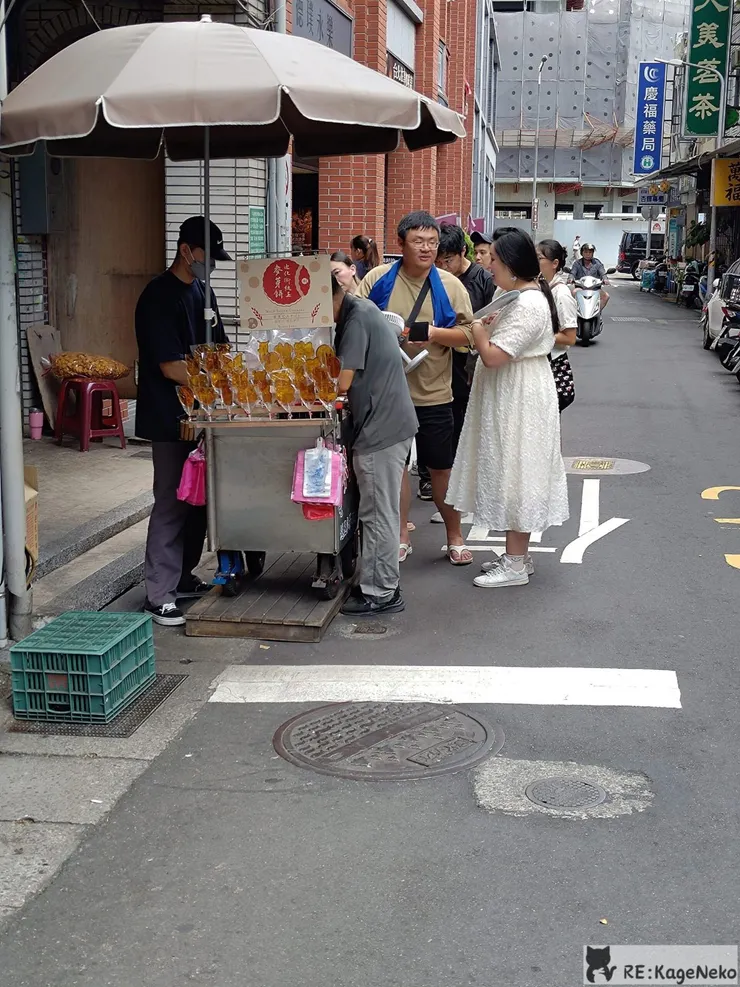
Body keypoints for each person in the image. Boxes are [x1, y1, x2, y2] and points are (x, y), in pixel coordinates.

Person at [446, 228, 569, 588]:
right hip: (513, 391)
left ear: (512, 266)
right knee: (513, 466)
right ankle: (519, 557)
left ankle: (515, 565)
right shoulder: (515, 294)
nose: (489, 265)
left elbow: (495, 355)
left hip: (519, 394)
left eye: (495, 260)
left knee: (517, 470)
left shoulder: (528, 302)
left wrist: (478, 331)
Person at [357, 210, 476, 565]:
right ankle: (401, 534)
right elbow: (354, 323)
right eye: (418, 241)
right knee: (396, 469)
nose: (426, 249)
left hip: (435, 392)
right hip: (388, 393)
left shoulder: (450, 285)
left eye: (432, 243)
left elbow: (470, 336)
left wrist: (433, 333)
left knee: (440, 467)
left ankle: (454, 534)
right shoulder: (378, 280)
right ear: (401, 243)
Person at [135, 216, 230, 626]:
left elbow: (222, 349)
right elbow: (171, 367)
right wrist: (214, 380)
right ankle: (158, 593)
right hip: (170, 417)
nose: (212, 266)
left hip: (204, 415)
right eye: (208, 257)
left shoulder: (203, 292)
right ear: (186, 250)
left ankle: (185, 575)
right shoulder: (158, 296)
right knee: (172, 502)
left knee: (198, 502)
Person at [331, 275, 418, 616]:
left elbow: (342, 381)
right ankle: (376, 582)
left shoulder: (356, 319)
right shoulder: (361, 310)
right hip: (388, 423)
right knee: (377, 511)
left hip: (382, 429)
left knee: (379, 513)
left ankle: (381, 593)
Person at [430, 223, 495, 522]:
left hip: (472, 364)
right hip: (440, 364)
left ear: (460, 254)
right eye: (438, 261)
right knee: (449, 429)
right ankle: (448, 495)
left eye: (447, 260)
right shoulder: (432, 280)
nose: (442, 266)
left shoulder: (482, 279)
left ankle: (469, 494)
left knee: (469, 426)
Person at [537, 239, 578, 411]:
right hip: (540, 362)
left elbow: (569, 337)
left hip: (553, 364)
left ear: (554, 263)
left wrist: (536, 336)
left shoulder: (561, 294)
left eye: (539, 258)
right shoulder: (540, 285)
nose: (534, 262)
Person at [570, 242, 610, 310]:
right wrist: (570, 278)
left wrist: (605, 279)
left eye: (590, 252)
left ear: (593, 253)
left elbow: (603, 273)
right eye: (585, 252)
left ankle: (597, 313)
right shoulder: (577, 263)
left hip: (595, 289)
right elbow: (572, 272)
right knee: (573, 293)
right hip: (581, 288)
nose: (588, 254)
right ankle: (576, 312)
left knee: (606, 296)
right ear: (582, 253)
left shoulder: (597, 263)